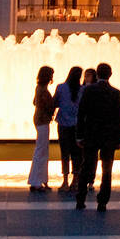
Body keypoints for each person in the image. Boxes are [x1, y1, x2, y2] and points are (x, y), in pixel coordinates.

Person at [75, 62, 120, 210]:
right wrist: (118, 139)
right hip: (109, 138)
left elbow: (81, 113)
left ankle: (80, 199)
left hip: (91, 135)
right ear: (110, 74)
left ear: (97, 74)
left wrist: (79, 135)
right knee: (107, 169)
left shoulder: (89, 91)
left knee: (86, 166)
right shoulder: (117, 94)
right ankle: (102, 201)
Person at [53, 66, 84, 194]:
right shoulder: (83, 90)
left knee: (64, 153)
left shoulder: (61, 87)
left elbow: (55, 103)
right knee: (77, 154)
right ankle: (75, 181)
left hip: (63, 125)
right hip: (77, 126)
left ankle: (65, 181)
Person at [28, 66, 55, 193]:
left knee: (42, 149)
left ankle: (40, 180)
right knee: (41, 150)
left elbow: (35, 102)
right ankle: (37, 181)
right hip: (42, 120)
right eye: (51, 75)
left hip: (39, 120)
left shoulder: (38, 88)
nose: (52, 78)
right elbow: (46, 105)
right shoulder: (43, 90)